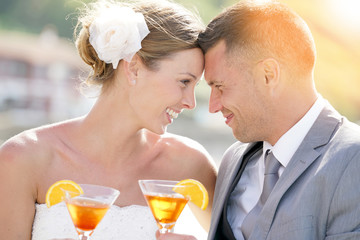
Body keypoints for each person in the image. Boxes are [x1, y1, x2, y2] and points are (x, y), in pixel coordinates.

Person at [0, 0, 217, 239]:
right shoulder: (21, 160)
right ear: (133, 68)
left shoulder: (190, 165)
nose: (191, 103)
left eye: (195, 86)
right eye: (184, 82)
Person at [157, 0, 360, 240]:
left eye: (220, 86)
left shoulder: (353, 160)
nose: (213, 106)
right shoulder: (233, 160)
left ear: (268, 75)